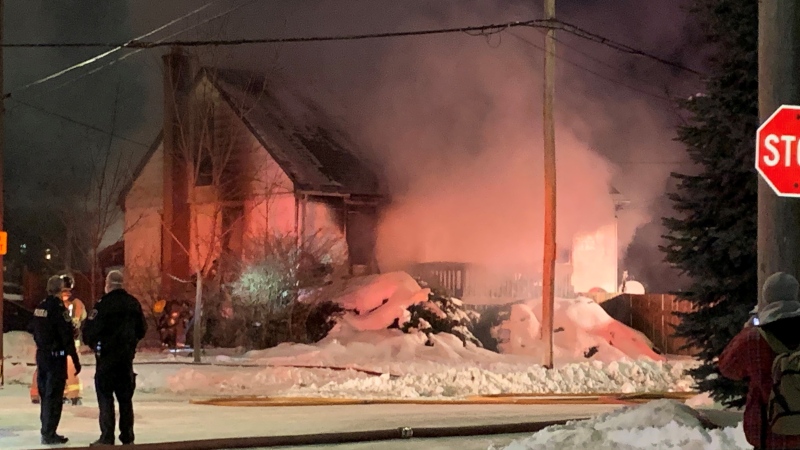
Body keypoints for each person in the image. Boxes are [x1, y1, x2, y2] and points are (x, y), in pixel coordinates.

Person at [719, 272, 800, 449]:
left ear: (767, 296)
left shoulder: (753, 339)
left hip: (768, 433)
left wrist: (746, 330)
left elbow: (727, 368)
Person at [82, 270, 147, 446]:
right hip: (126, 361)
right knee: (126, 400)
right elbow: (142, 329)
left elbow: (88, 332)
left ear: (108, 285)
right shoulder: (133, 303)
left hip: (106, 361)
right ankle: (127, 437)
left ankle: (107, 437)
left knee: (105, 398)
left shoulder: (102, 305)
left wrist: (96, 344)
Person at [30, 275, 81, 445]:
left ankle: (46, 430)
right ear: (60, 289)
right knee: (54, 396)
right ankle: (50, 432)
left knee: (45, 396)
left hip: (42, 356)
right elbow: (66, 335)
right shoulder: (58, 309)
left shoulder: (40, 307)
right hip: (55, 359)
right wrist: (74, 357)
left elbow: (33, 329)